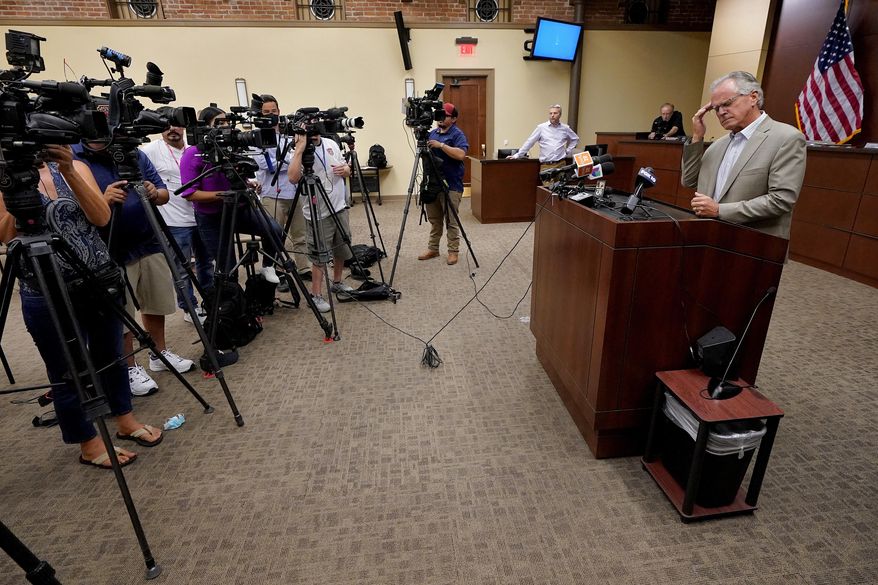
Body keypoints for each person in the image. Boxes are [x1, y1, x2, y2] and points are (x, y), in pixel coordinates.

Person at [0, 145, 162, 468]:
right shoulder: (5, 180)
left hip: (96, 277)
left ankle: (124, 420)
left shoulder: (73, 166)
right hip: (45, 289)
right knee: (66, 368)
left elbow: (100, 216)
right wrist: (19, 194)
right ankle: (88, 442)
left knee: (111, 355)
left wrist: (69, 171)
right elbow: (5, 236)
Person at [73, 141, 195, 397]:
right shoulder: (75, 157)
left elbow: (163, 194)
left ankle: (158, 354)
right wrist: (102, 200)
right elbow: (73, 209)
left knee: (156, 301)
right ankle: (129, 367)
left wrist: (153, 191)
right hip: (109, 248)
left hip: (148, 239)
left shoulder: (132, 152)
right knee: (123, 312)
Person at [682, 71, 806, 240]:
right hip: (710, 238)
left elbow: (781, 200)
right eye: (716, 108)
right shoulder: (718, 145)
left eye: (727, 103)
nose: (721, 112)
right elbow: (688, 180)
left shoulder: (786, 138)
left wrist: (719, 210)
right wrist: (697, 137)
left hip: (752, 243)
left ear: (753, 97)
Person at [179, 106, 284, 284]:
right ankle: (234, 304)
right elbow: (190, 194)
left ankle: (268, 266)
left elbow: (235, 176)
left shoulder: (232, 147)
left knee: (274, 229)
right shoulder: (193, 153)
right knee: (227, 268)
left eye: (227, 122)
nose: (225, 126)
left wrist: (248, 183)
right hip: (211, 218)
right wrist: (223, 195)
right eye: (219, 123)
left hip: (240, 209)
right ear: (206, 127)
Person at [140, 112, 212, 324]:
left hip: (200, 215)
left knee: (206, 264)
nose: (172, 129)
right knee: (181, 268)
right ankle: (189, 308)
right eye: (167, 125)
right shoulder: (151, 150)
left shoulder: (194, 148)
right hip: (173, 221)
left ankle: (210, 302)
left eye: (177, 125)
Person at [287, 125, 354, 313]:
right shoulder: (297, 151)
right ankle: (315, 295)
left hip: (339, 206)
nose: (314, 138)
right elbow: (293, 178)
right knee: (320, 255)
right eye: (310, 135)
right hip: (318, 212)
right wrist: (300, 149)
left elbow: (346, 167)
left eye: (315, 135)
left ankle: (338, 282)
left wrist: (346, 169)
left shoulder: (331, 143)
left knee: (341, 247)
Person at [251, 94, 311, 291]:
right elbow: (265, 165)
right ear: (260, 114)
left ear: (279, 111)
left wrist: (293, 158)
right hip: (271, 194)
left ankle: (303, 268)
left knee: (300, 235)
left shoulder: (288, 135)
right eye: (266, 112)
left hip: (294, 193)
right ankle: (274, 271)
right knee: (274, 236)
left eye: (274, 111)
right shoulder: (255, 138)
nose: (271, 115)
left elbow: (298, 162)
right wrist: (292, 159)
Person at [418, 103, 469, 266]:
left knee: (451, 220)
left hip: (451, 184)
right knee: (434, 220)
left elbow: (461, 154)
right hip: (432, 184)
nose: (440, 118)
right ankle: (433, 248)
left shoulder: (457, 134)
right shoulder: (432, 133)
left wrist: (441, 145)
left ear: (453, 118)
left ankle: (453, 251)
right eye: (439, 114)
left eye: (444, 115)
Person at [507, 104, 579, 179]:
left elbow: (575, 139)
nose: (552, 115)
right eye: (550, 113)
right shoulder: (541, 128)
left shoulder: (565, 128)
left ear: (560, 115)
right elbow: (530, 142)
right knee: (547, 189)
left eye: (555, 113)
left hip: (561, 164)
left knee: (560, 189)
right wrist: (518, 155)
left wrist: (567, 151)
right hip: (546, 165)